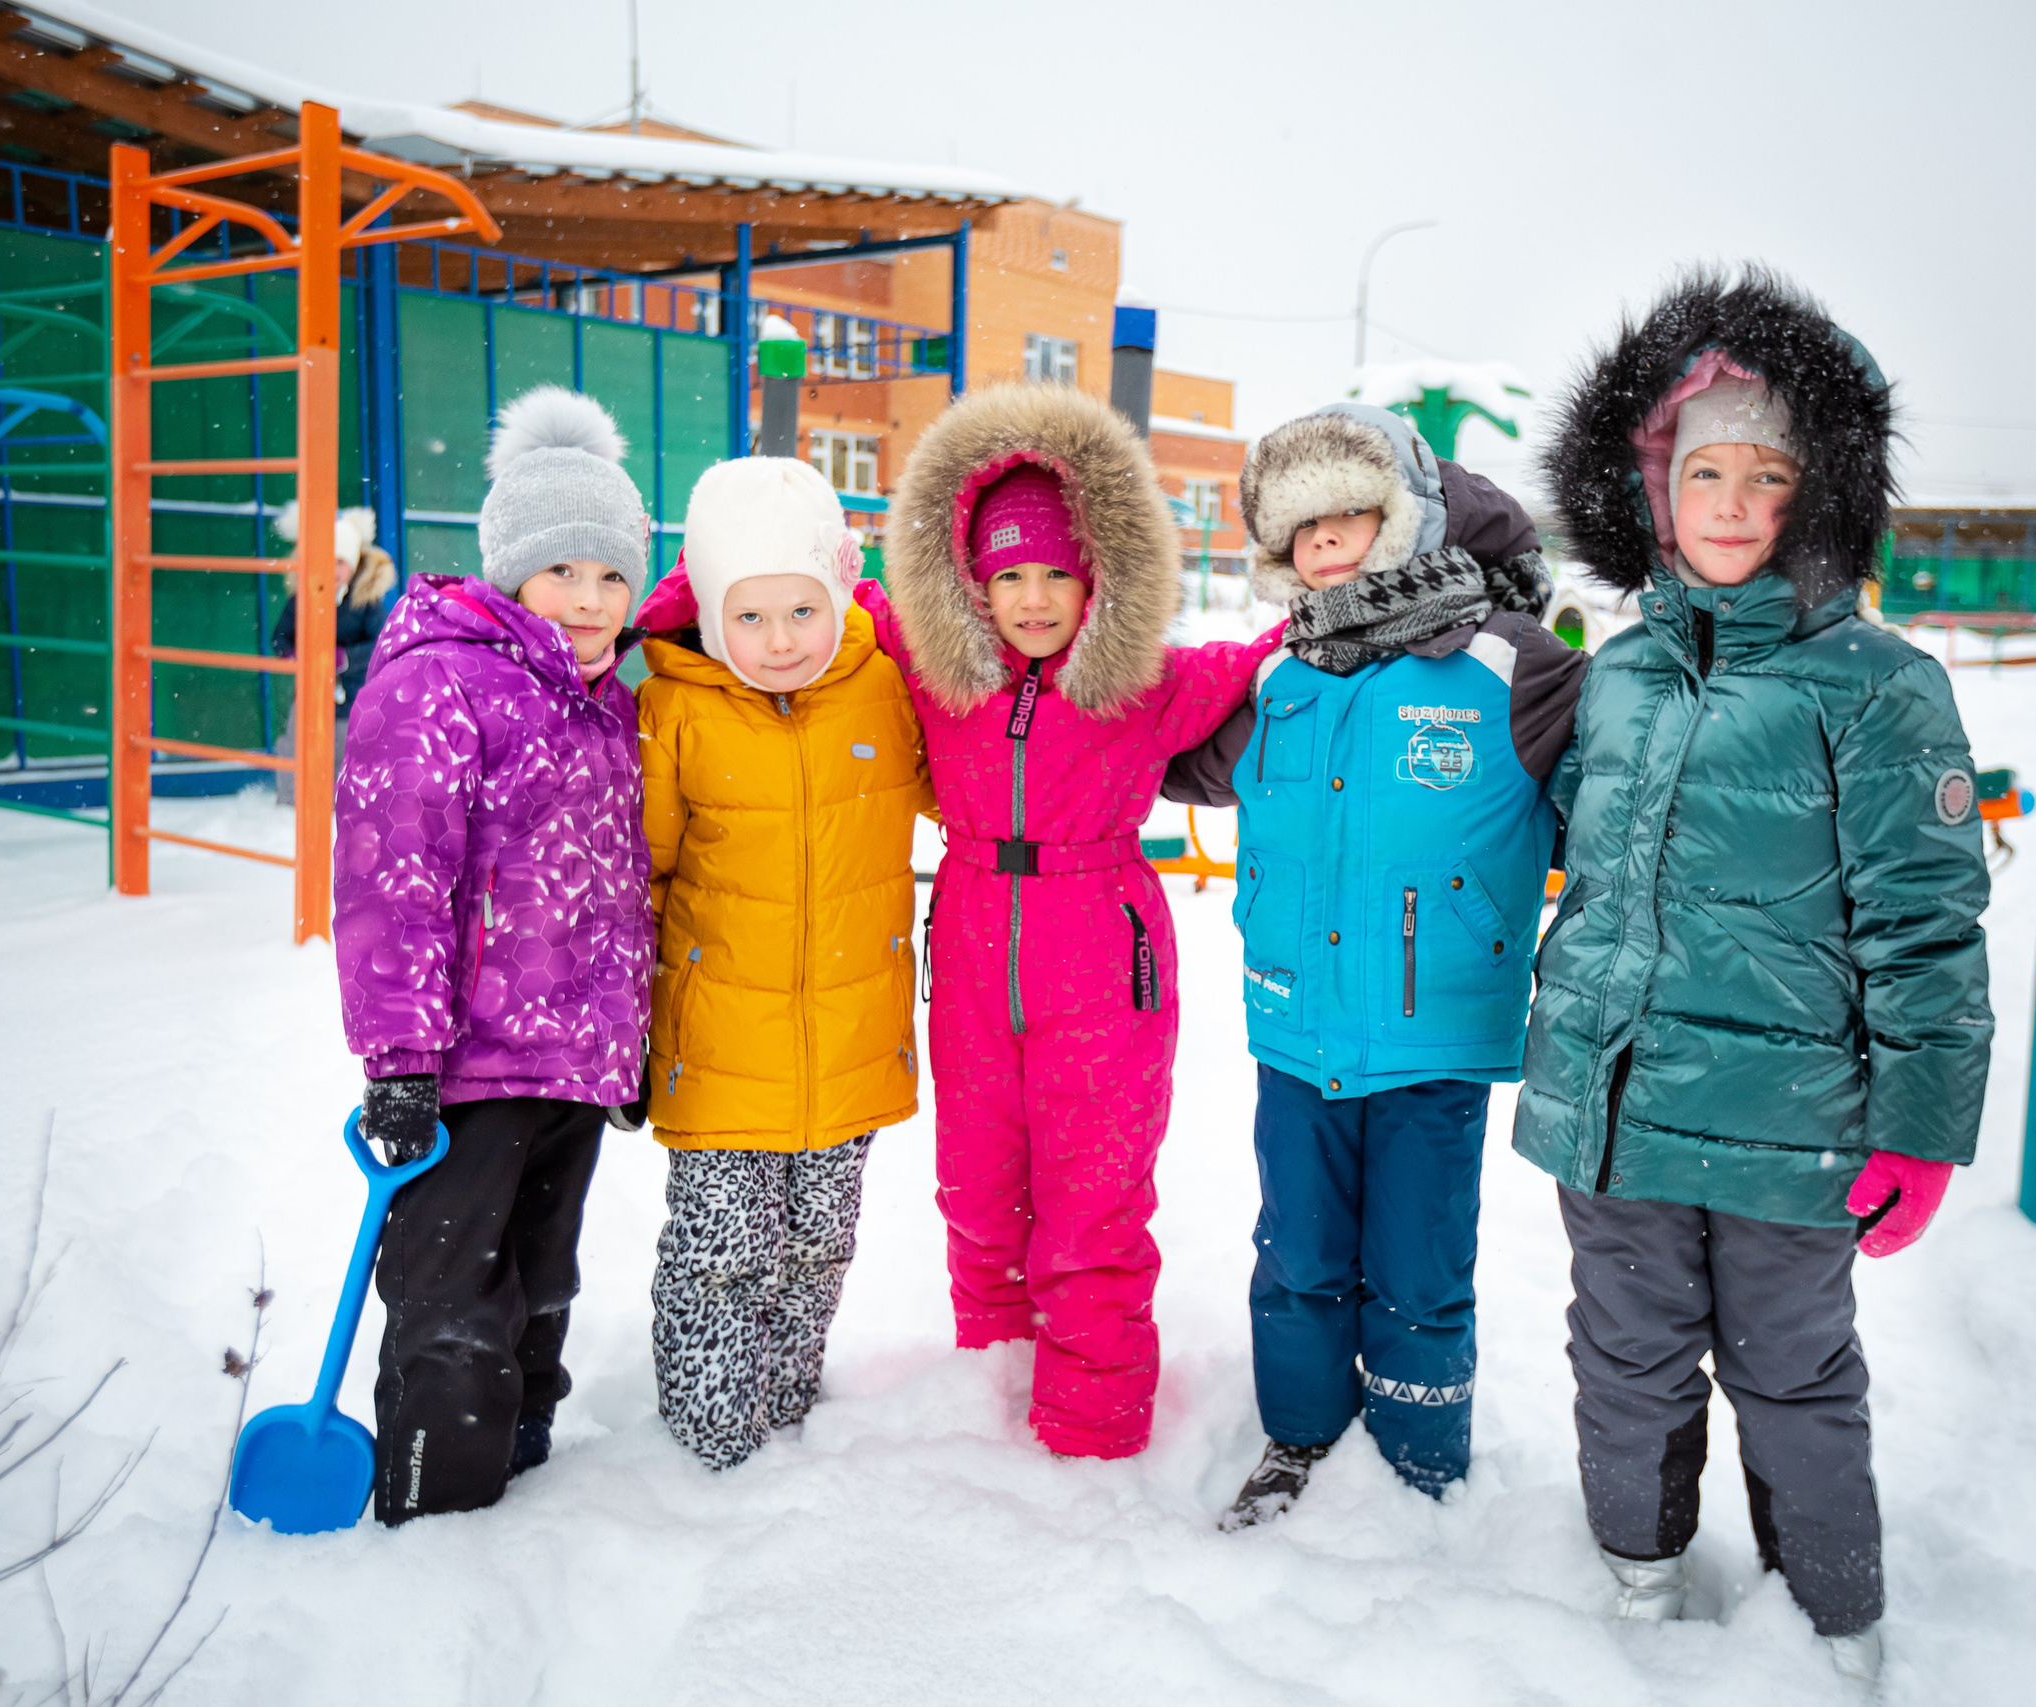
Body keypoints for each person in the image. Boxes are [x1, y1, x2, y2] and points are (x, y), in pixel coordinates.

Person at [1515, 270, 1993, 1681]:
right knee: (1626, 1355)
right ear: (1649, 489)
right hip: (1614, 1112)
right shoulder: (1616, 676)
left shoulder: (1879, 686)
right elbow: (1573, 866)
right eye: (1699, 469)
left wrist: (1920, 1121)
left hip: (1793, 1131)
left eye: (1764, 474)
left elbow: (1927, 922)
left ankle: (1831, 1609)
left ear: (1820, 489)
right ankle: (1640, 1565)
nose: (1727, 502)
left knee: (1793, 1373)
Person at [1161, 403, 1586, 1522]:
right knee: (1296, 1252)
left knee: (1420, 1263)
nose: (1328, 545)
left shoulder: (1510, 664)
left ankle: (1417, 1460)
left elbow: (1617, 796)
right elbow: (1160, 759)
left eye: (1351, 517)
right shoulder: (1280, 679)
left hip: (1429, 1036)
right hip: (1295, 1025)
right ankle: (1299, 1438)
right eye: (1305, 533)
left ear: (1403, 520)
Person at [856, 383, 1283, 1460]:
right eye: (1009, 576)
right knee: (979, 1195)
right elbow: (796, 584)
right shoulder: (928, 671)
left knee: (1092, 1204)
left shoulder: (1142, 683)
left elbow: (1286, 649)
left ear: (1100, 580)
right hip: (967, 953)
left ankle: (1092, 1432)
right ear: (971, 584)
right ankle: (990, 1404)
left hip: (1103, 962)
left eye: (1058, 573)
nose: (1035, 599)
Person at [332, 385, 653, 1524]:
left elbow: (615, 886)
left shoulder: (606, 703)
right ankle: (435, 1512)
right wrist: (403, 1057)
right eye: (565, 570)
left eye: (614, 575)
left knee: (540, 1286)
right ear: (511, 566)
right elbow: (391, 879)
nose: (591, 597)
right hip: (466, 1066)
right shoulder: (437, 683)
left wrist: (630, 1033)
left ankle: (519, 1482)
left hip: (571, 1059)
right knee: (453, 1304)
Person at [628, 456, 932, 1470]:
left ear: (837, 596)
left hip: (849, 1040)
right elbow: (645, 873)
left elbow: (966, 788)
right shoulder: (675, 710)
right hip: (718, 1046)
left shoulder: (883, 691)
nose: (779, 641)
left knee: (816, 1248)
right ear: (710, 619)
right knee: (722, 1257)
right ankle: (717, 1439)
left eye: (800, 610)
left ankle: (790, 1404)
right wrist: (630, 1027)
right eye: (746, 619)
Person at [269, 502, 395, 807]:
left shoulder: (366, 603)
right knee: (296, 744)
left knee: (343, 748)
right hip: (310, 691)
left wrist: (346, 659)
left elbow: (382, 644)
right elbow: (280, 636)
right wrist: (290, 655)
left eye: (340, 561)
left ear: (353, 566)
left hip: (351, 694)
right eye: (325, 560)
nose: (332, 569)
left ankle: (342, 804)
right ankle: (291, 803)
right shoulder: (302, 600)